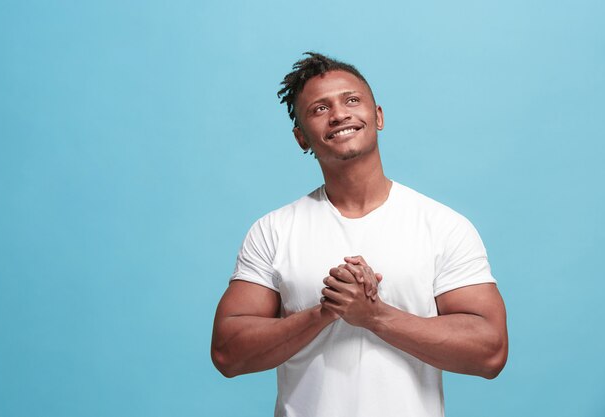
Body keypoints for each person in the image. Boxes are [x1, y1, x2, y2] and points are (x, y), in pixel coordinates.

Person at [211, 52, 508, 417]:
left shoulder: (442, 225)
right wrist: (324, 312)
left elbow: (490, 352)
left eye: (352, 100)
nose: (339, 114)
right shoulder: (273, 230)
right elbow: (227, 353)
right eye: (320, 109)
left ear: (378, 116)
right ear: (301, 137)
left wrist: (375, 316)